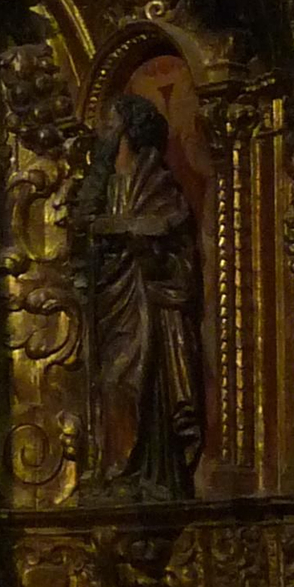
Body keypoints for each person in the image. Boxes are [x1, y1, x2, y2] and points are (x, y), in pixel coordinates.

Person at [70, 92, 202, 500]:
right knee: (106, 383)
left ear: (129, 129)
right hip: (108, 299)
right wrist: (114, 227)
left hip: (145, 297)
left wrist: (139, 239)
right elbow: (82, 227)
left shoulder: (156, 182)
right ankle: (113, 471)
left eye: (111, 124)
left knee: (131, 381)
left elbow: (172, 242)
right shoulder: (102, 184)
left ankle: (141, 474)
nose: (104, 132)